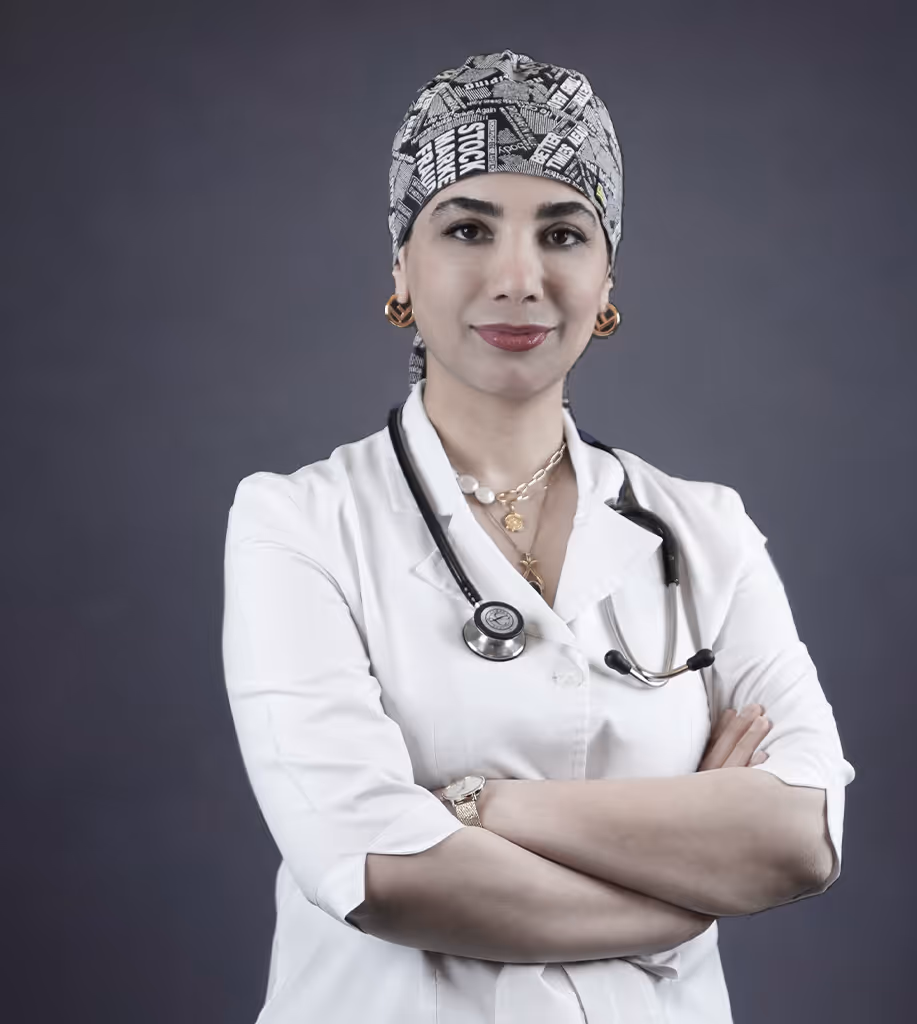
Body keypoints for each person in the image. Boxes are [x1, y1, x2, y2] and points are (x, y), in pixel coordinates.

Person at [221, 49, 856, 1024]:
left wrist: (479, 806)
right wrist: (685, 896)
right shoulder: (297, 522)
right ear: (402, 265)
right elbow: (379, 869)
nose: (518, 277)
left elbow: (799, 838)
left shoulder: (704, 530)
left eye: (562, 232)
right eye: (467, 227)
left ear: (605, 279)